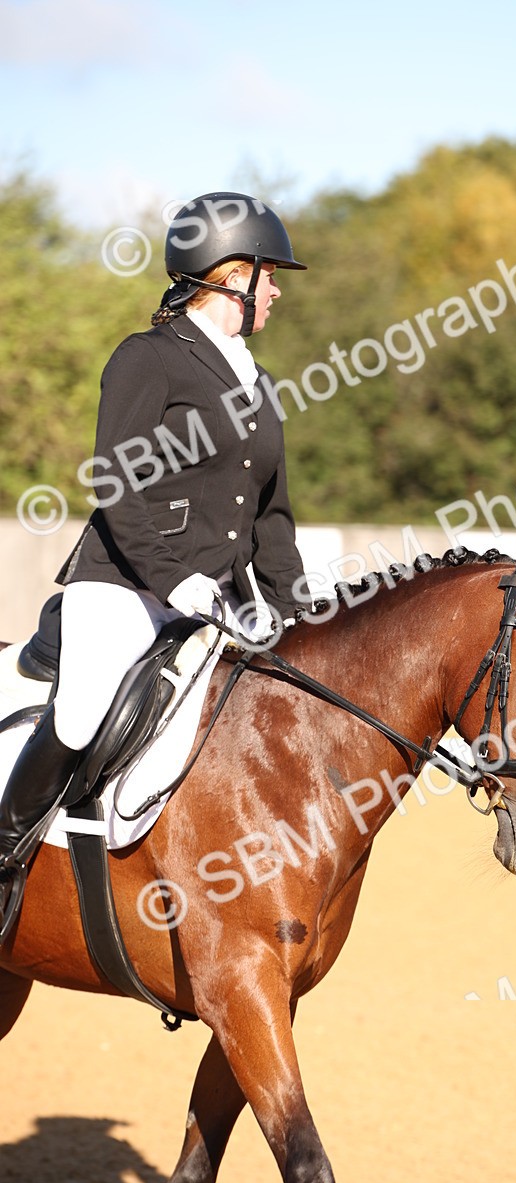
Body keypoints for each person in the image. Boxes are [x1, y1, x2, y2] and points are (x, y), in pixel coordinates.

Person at [0, 191, 308, 893]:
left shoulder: (260, 384)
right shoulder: (149, 359)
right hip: (123, 586)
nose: (278, 293)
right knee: (81, 713)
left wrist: (300, 609)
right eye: (271, 276)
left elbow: (271, 517)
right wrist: (177, 581)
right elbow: (117, 485)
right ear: (233, 277)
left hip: (218, 604)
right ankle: (2, 855)